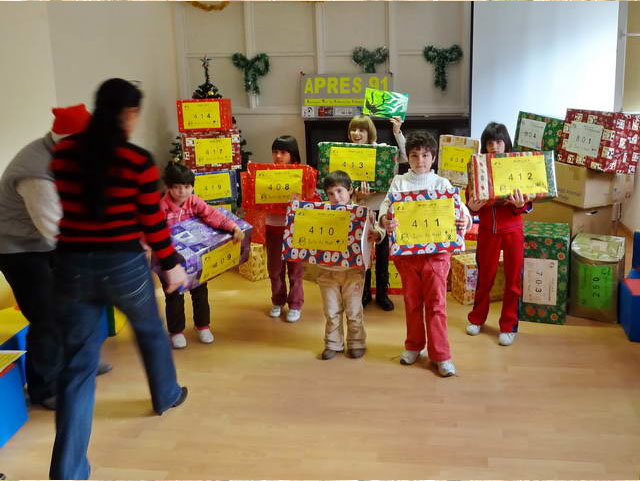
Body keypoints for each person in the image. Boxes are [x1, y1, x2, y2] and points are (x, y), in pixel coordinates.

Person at [48, 78, 188, 480]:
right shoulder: (137, 161)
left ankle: (68, 471)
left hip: (72, 266)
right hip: (123, 264)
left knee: (77, 366)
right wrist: (170, 263)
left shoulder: (62, 154)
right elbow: (153, 222)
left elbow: (69, 209)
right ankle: (166, 395)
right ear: (129, 114)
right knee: (150, 332)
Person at [0, 104, 112, 412]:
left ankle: (79, 366)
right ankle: (45, 387)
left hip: (49, 242)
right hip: (19, 249)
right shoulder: (37, 171)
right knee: (47, 315)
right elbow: (54, 230)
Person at [377, 132, 472, 377]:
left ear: (434, 157)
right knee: (411, 302)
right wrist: (386, 221)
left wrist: (464, 222)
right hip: (407, 256)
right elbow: (385, 210)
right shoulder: (399, 182)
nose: (420, 160)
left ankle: (441, 354)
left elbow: (462, 213)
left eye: (426, 155)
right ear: (407, 157)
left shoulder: (443, 184)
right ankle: (414, 345)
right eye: (415, 155)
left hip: (437, 256)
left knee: (437, 304)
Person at [160, 162, 244, 349]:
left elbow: (212, 215)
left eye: (187, 187)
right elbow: (151, 230)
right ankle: (176, 331)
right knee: (173, 295)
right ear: (168, 187)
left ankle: (202, 326)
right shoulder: (161, 207)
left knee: (200, 291)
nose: (182, 192)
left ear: (193, 187)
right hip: (170, 260)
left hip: (195, 258)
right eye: (177, 187)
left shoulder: (194, 201)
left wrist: (233, 227)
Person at [466, 122, 534, 346]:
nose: (494, 146)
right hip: (487, 231)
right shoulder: (477, 168)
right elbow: (470, 199)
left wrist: (519, 204)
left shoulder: (517, 166)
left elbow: (527, 203)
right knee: (484, 277)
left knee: (513, 281)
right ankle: (477, 318)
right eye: (489, 142)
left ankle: (509, 325)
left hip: (513, 231)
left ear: (506, 144)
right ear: (484, 146)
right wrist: (472, 207)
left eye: (498, 141)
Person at [317, 170, 381, 360]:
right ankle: (333, 343)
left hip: (353, 272)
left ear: (350, 190)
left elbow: (375, 229)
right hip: (327, 271)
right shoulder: (320, 213)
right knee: (331, 310)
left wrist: (377, 234)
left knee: (353, 310)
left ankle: (357, 342)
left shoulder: (361, 212)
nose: (335, 197)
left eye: (339, 191)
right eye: (330, 193)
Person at [347, 114, 406, 311]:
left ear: (369, 132)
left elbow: (405, 156)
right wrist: (356, 194)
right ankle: (364, 293)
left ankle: (382, 293)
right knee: (362, 254)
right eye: (354, 130)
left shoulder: (383, 151)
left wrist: (397, 132)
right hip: (360, 210)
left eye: (362, 130)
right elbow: (342, 186)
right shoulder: (346, 154)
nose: (357, 134)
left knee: (382, 254)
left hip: (381, 210)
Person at [265, 135, 306, 323]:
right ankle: (278, 300)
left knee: (295, 269)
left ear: (292, 154)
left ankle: (295, 303)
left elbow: (311, 200)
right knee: (274, 269)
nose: (278, 156)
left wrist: (300, 199)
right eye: (275, 152)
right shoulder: (265, 174)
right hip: (272, 227)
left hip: (295, 229)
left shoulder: (303, 174)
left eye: (283, 152)